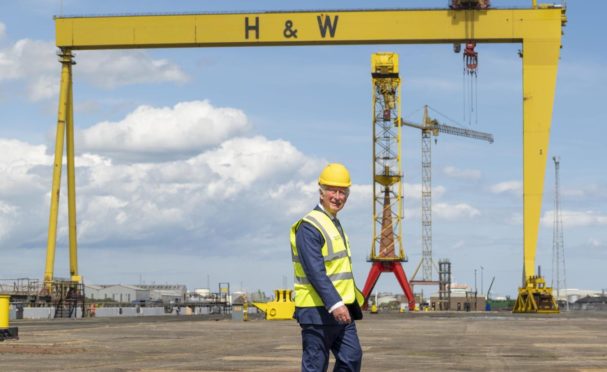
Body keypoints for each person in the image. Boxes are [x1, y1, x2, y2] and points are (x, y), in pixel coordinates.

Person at [290, 163, 365, 372]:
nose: (337, 197)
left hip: (343, 309)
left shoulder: (334, 223)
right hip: (317, 311)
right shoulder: (309, 226)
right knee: (316, 366)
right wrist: (335, 304)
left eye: (343, 192)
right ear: (321, 192)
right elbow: (315, 271)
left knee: (352, 358)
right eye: (333, 190)